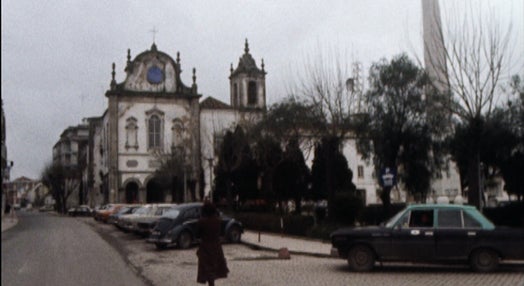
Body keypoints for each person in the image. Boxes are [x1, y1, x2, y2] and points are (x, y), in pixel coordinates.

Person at [196, 201, 229, 285]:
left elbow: (198, 234)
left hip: (206, 247)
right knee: (214, 268)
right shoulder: (218, 221)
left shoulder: (202, 221)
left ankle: (211, 284)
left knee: (207, 269)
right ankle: (212, 284)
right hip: (216, 247)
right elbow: (220, 233)